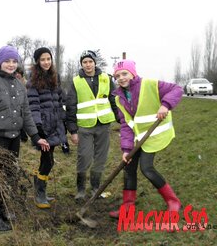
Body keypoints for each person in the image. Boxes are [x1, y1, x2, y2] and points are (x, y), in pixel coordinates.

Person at [0, 45, 49, 231]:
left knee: (9, 174)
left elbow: (27, 114)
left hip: (14, 138)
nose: (11, 64)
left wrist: (35, 136)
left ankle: (3, 208)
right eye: (7, 61)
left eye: (14, 61)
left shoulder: (18, 84)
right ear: (0, 62)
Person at [109, 59, 182, 218]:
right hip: (138, 138)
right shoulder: (118, 97)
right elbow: (126, 124)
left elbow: (177, 89)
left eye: (124, 73)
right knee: (128, 168)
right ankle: (128, 207)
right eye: (117, 75)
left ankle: (173, 201)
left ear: (132, 73)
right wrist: (126, 149)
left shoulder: (149, 84)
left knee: (146, 168)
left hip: (155, 135)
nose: (121, 78)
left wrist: (165, 105)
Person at [66, 50, 119, 202]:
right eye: (85, 62)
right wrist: (73, 131)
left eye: (90, 61)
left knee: (101, 158)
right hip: (84, 127)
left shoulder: (106, 79)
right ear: (81, 64)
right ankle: (81, 190)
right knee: (84, 157)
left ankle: (95, 188)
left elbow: (114, 100)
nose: (88, 64)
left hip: (103, 125)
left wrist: (121, 119)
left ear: (95, 63)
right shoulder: (76, 81)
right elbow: (71, 106)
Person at [27, 47, 67, 209]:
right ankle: (39, 194)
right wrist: (38, 128)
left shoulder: (54, 80)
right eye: (43, 59)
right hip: (44, 127)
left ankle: (41, 189)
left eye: (48, 59)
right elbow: (33, 107)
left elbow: (60, 102)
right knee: (47, 161)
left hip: (55, 125)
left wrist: (63, 122)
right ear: (38, 61)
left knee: (48, 160)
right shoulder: (33, 82)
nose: (46, 62)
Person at [15, 66, 28, 143]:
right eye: (16, 73)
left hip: (24, 104)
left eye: (19, 73)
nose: (17, 74)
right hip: (16, 104)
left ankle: (24, 137)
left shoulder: (25, 82)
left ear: (21, 74)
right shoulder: (13, 81)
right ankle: (22, 137)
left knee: (23, 121)